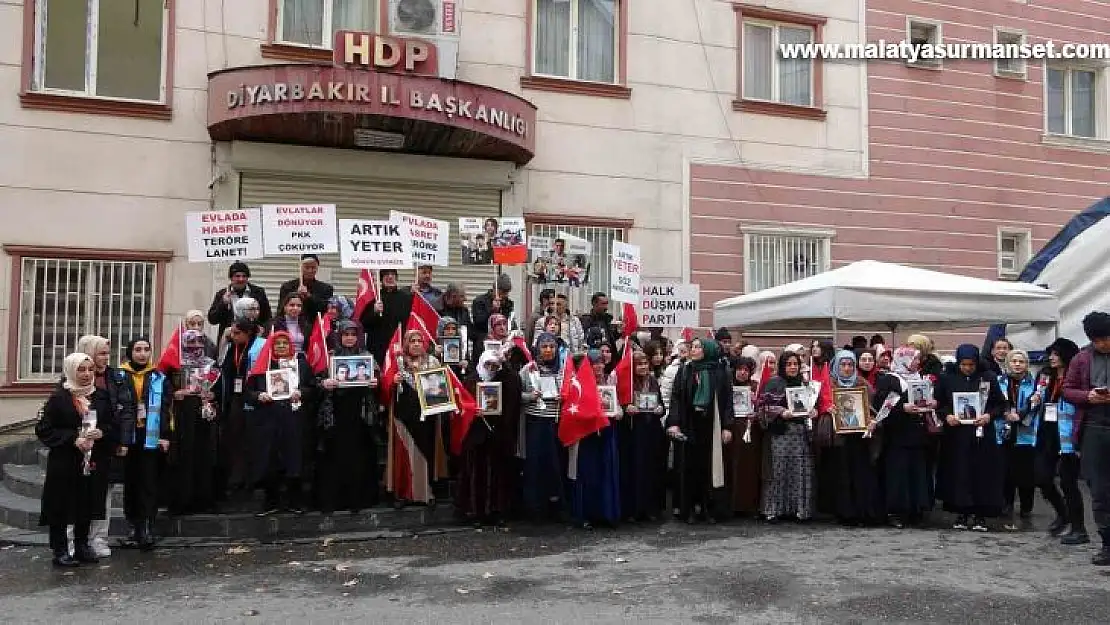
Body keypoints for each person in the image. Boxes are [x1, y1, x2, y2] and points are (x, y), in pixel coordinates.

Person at [38, 353, 110, 567]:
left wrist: (101, 433)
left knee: (86, 502)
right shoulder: (60, 397)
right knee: (61, 503)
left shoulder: (100, 396)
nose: (87, 374)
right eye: (81, 370)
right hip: (64, 460)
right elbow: (44, 429)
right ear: (70, 370)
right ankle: (60, 549)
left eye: (90, 370)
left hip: (90, 459)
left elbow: (110, 423)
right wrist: (72, 439)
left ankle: (82, 545)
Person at [936, 344, 1006, 532]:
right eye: (964, 364)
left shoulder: (988, 378)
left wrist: (988, 416)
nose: (968, 368)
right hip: (957, 435)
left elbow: (1000, 404)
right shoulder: (947, 378)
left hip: (981, 435)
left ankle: (980, 514)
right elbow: (939, 403)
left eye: (971, 364)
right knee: (959, 473)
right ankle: (961, 512)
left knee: (981, 474)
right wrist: (947, 416)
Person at [244, 331, 314, 515]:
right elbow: (248, 392)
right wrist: (259, 395)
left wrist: (301, 393)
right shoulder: (263, 365)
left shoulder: (300, 365)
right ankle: (271, 501)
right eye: (277, 344)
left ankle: (294, 501)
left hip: (293, 418)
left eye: (285, 343)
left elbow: (312, 387)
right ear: (271, 346)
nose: (281, 346)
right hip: (268, 418)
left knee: (294, 458)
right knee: (270, 459)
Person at [316, 321, 380, 518]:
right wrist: (324, 383)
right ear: (339, 336)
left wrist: (375, 383)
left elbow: (380, 381)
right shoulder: (330, 357)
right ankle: (333, 501)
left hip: (359, 415)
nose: (350, 338)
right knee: (334, 457)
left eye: (353, 334)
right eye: (346, 334)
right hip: (336, 414)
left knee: (358, 457)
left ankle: (357, 501)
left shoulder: (367, 356)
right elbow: (315, 381)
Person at [667, 338, 735, 524]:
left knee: (710, 468)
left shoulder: (721, 372)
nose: (694, 350)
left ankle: (709, 508)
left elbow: (727, 400)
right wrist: (674, 422)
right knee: (688, 468)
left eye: (698, 347)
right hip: (689, 423)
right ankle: (688, 508)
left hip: (712, 424)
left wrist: (727, 426)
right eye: (693, 347)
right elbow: (676, 397)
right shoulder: (685, 370)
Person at [1063, 311, 1110, 565]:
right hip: (1093, 424)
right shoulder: (1081, 358)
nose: (1102, 344)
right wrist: (1087, 397)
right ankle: (1107, 543)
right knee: (1099, 488)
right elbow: (1068, 389)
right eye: (1097, 340)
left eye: (1106, 338)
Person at [455, 350, 522, 526]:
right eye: (488, 365)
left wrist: (504, 364)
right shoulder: (471, 380)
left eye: (494, 366)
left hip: (496, 434)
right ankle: (475, 513)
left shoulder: (503, 380)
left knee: (497, 475)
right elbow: (462, 404)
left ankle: (496, 511)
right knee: (476, 474)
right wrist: (472, 411)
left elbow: (514, 389)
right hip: (476, 435)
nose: (491, 369)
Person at [118, 337, 173, 551]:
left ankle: (147, 527)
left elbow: (167, 409)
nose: (142, 354)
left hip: (150, 436)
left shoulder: (158, 377)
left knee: (149, 482)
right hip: (128, 437)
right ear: (130, 352)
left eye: (146, 350)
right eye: (138, 350)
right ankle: (133, 526)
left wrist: (165, 435)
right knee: (131, 482)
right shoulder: (119, 376)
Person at [72, 335, 124, 558]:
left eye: (106, 353)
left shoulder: (113, 380)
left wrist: (107, 434)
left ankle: (98, 538)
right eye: (101, 353)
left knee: (103, 495)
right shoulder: (67, 387)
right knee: (76, 497)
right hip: (77, 450)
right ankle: (74, 541)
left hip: (103, 449)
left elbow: (117, 415)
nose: (105, 358)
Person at [872, 346, 934, 529]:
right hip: (897, 434)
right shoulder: (889, 380)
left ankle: (916, 508)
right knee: (897, 474)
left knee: (916, 472)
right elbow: (882, 406)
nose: (917, 362)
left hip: (918, 433)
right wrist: (902, 409)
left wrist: (930, 403)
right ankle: (895, 511)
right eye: (914, 359)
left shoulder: (920, 379)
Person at [385, 330, 447, 508]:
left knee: (426, 453)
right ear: (406, 343)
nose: (417, 344)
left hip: (426, 417)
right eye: (413, 341)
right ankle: (403, 494)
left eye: (420, 340)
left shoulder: (432, 361)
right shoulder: (398, 362)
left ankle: (425, 493)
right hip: (403, 416)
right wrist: (393, 381)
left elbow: (441, 389)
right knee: (404, 454)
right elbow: (385, 384)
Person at [1036, 338, 1088, 545]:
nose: (1051, 358)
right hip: (1047, 432)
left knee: (1068, 482)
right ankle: (1063, 513)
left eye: (1056, 354)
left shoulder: (1075, 377)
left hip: (1068, 435)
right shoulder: (1046, 375)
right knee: (1042, 478)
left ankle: (1079, 528)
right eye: (1051, 354)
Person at [757, 350, 816, 522]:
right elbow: (762, 407)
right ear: (782, 366)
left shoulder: (805, 385)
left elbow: (812, 405)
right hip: (780, 435)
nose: (792, 367)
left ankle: (799, 510)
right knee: (778, 471)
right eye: (788, 364)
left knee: (799, 471)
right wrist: (782, 412)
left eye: (795, 364)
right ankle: (773, 510)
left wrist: (814, 411)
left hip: (799, 435)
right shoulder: (774, 383)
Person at [825, 351, 882, 526]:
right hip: (838, 439)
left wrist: (873, 421)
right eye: (843, 365)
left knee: (861, 476)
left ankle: (862, 512)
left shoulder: (862, 384)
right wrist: (828, 409)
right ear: (836, 366)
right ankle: (844, 513)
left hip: (860, 439)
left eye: (850, 365)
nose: (847, 368)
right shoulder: (828, 386)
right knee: (842, 476)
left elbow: (875, 411)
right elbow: (819, 407)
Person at [570, 351, 622, 530]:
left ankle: (606, 513)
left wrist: (618, 412)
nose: (599, 367)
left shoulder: (610, 382)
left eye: (601, 362)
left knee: (607, 472)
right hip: (588, 435)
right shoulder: (580, 384)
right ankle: (586, 515)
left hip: (607, 432)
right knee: (588, 474)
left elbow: (618, 404)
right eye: (595, 363)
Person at [519, 333, 566, 521]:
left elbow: (571, 391)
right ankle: (534, 508)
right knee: (535, 466)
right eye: (544, 346)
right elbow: (516, 395)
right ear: (537, 348)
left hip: (555, 422)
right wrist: (530, 396)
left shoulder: (563, 370)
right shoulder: (528, 369)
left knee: (555, 466)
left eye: (552, 347)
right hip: (535, 423)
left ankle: (555, 507)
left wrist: (564, 397)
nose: (548, 350)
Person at [214, 320, 261, 501]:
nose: (233, 336)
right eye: (232, 333)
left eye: (237, 333)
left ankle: (249, 479)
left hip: (252, 396)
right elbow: (224, 371)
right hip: (235, 397)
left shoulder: (257, 347)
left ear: (247, 333)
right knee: (234, 438)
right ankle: (235, 478)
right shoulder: (232, 348)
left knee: (250, 440)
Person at [618, 350, 666, 522]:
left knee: (651, 470)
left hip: (651, 432)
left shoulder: (652, 381)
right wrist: (626, 408)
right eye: (639, 364)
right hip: (634, 433)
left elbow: (660, 404)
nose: (643, 367)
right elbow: (620, 405)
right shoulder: (628, 383)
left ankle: (650, 508)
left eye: (645, 363)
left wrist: (660, 409)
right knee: (634, 470)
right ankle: (633, 509)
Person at [997, 349, 1041, 531]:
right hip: (1004, 430)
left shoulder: (1034, 383)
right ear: (1008, 363)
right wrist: (1007, 413)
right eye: (1013, 361)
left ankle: (1026, 506)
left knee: (1025, 473)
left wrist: (1021, 414)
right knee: (1006, 471)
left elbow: (1037, 402)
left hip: (1026, 432)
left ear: (1026, 364)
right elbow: (996, 401)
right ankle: (1006, 504)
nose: (1017, 364)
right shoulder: (1000, 382)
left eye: (1021, 361)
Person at [725, 356, 762, 517]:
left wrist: (756, 403)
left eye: (746, 370)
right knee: (733, 465)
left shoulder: (755, 387)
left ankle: (749, 505)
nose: (742, 373)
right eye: (740, 369)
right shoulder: (728, 387)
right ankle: (733, 504)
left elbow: (763, 407)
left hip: (750, 430)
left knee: (750, 467)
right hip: (734, 428)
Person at [207, 261, 273, 339]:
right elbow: (212, 320)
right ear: (231, 278)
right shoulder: (222, 294)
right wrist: (223, 303)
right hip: (230, 339)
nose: (241, 279)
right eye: (237, 276)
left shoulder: (258, 293)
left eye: (244, 276)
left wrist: (263, 332)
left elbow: (267, 318)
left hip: (253, 338)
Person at [362, 269, 413, 365]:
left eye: (392, 274)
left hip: (398, 345)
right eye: (386, 274)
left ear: (396, 277)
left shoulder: (406, 298)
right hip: (377, 347)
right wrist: (374, 312)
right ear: (381, 279)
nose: (390, 277)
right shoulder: (374, 297)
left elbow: (410, 323)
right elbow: (364, 324)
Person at [278, 254, 334, 321]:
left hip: (315, 326)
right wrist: (295, 295)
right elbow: (280, 310)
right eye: (307, 267)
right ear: (301, 268)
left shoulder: (326, 288)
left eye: (313, 267)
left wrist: (309, 296)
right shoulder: (287, 287)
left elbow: (325, 309)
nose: (310, 271)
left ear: (317, 268)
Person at [472, 274, 514, 352]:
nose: (505, 295)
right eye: (503, 292)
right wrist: (492, 310)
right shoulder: (479, 301)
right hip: (484, 344)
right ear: (495, 289)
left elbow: (508, 322)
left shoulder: (508, 303)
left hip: (501, 344)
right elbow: (478, 322)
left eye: (507, 292)